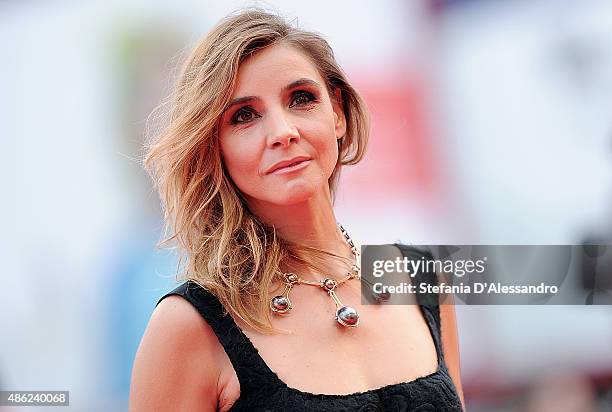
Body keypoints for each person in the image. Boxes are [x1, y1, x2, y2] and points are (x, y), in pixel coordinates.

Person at [129, 8, 465, 411]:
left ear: (337, 113)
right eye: (244, 116)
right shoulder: (190, 326)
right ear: (214, 147)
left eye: (301, 99)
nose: (283, 133)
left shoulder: (419, 279)